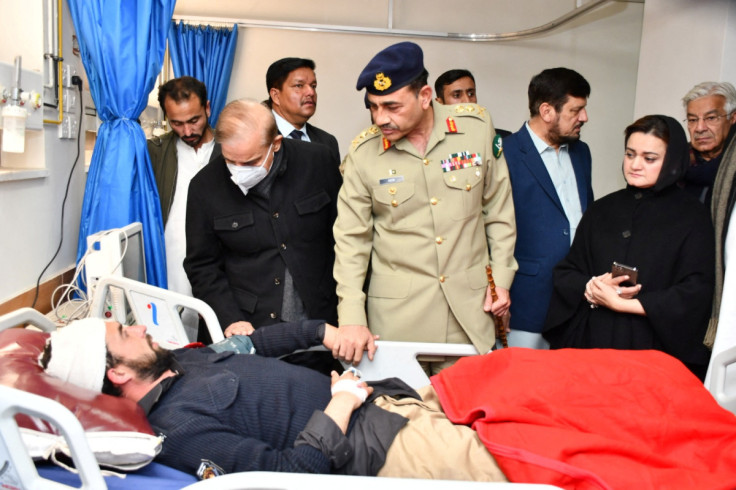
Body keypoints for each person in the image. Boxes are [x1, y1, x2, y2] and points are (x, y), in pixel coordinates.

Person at [40, 318, 507, 481]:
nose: (140, 327)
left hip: (389, 402)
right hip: (379, 450)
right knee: (522, 463)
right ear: (117, 372)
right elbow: (290, 475)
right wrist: (339, 403)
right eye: (125, 333)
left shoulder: (180, 360)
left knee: (510, 383)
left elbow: (256, 343)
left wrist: (323, 332)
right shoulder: (180, 429)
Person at [332, 42, 517, 373]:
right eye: (373, 107)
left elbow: (498, 211)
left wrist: (501, 279)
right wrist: (351, 318)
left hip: (471, 314)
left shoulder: (475, 128)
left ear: (425, 96)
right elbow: (351, 243)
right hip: (397, 323)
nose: (380, 118)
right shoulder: (364, 154)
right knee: (399, 418)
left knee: (467, 418)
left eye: (391, 106)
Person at [543, 115, 715, 380]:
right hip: (592, 344)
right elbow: (568, 271)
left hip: (654, 353)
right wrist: (591, 287)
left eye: (649, 158)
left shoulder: (693, 217)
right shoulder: (601, 209)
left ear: (672, 160)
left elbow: (696, 292)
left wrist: (628, 305)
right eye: (630, 154)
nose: (635, 165)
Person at [184, 99, 341, 347]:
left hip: (320, 319)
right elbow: (202, 266)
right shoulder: (205, 187)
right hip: (251, 326)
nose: (239, 171)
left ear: (275, 144)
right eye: (230, 161)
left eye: (250, 162)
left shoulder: (318, 162)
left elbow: (344, 238)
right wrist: (230, 317)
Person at [503, 67, 594, 349]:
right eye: (575, 110)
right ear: (546, 111)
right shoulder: (505, 154)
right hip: (527, 299)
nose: (584, 118)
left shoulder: (581, 152)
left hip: (577, 297)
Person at [148, 76, 221, 340]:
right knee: (173, 337)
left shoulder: (229, 151)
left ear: (208, 109)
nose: (187, 131)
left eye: (194, 120)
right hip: (171, 262)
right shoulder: (156, 152)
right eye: (177, 123)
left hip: (219, 266)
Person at [265, 57, 340, 159]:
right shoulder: (259, 136)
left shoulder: (327, 142)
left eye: (313, 86)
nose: (311, 92)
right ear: (276, 96)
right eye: (299, 85)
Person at [679, 81, 736, 206]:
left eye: (711, 118)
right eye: (693, 120)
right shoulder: (674, 162)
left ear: (732, 118)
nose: (700, 128)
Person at [434, 69, 510, 137]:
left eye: (471, 94)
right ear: (439, 103)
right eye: (457, 95)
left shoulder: (501, 139)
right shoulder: (432, 143)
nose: (467, 101)